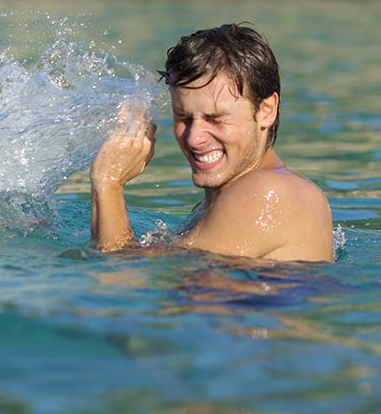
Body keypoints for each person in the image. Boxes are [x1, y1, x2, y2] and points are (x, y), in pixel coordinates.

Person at [90, 23, 333, 262]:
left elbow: (119, 278)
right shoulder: (220, 201)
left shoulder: (268, 193)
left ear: (266, 110)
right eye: (184, 117)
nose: (195, 138)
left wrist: (109, 182)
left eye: (215, 119)